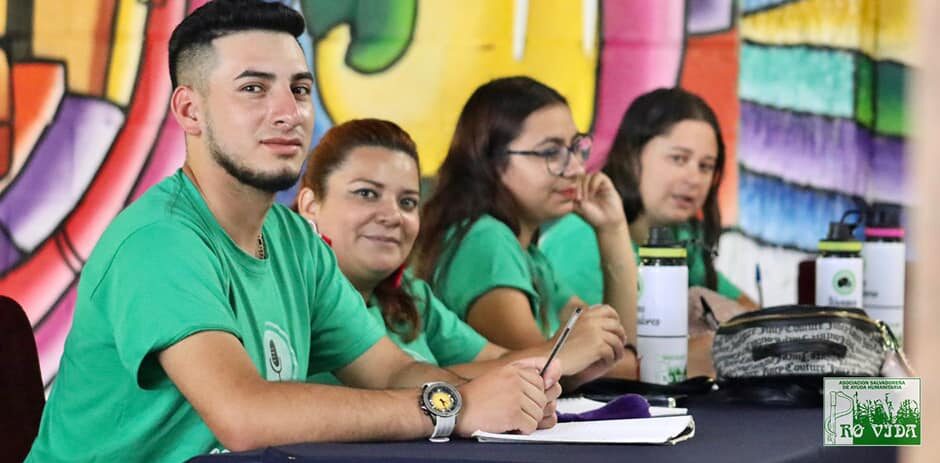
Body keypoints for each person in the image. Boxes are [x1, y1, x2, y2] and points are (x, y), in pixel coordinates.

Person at [26, 2, 559, 461]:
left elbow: (391, 371)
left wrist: (498, 395)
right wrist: (451, 408)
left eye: (300, 89)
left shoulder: (295, 241)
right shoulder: (160, 242)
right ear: (190, 110)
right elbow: (244, 415)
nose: (289, 112)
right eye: (253, 88)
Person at [294, 118, 625, 388]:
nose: (392, 215)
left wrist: (568, 363)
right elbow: (400, 385)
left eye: (407, 202)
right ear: (310, 205)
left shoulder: (410, 298)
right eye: (366, 193)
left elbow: (499, 365)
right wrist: (557, 356)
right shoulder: (296, 296)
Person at [414, 76, 638, 377]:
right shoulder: (485, 240)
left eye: (575, 148)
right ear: (490, 161)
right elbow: (549, 369)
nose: (575, 169)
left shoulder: (531, 255)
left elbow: (617, 345)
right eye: (550, 152)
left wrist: (612, 229)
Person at [539, 87, 757, 309]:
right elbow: (624, 341)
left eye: (706, 166)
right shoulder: (580, 238)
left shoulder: (680, 235)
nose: (694, 178)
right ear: (631, 157)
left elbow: (748, 310)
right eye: (679, 159)